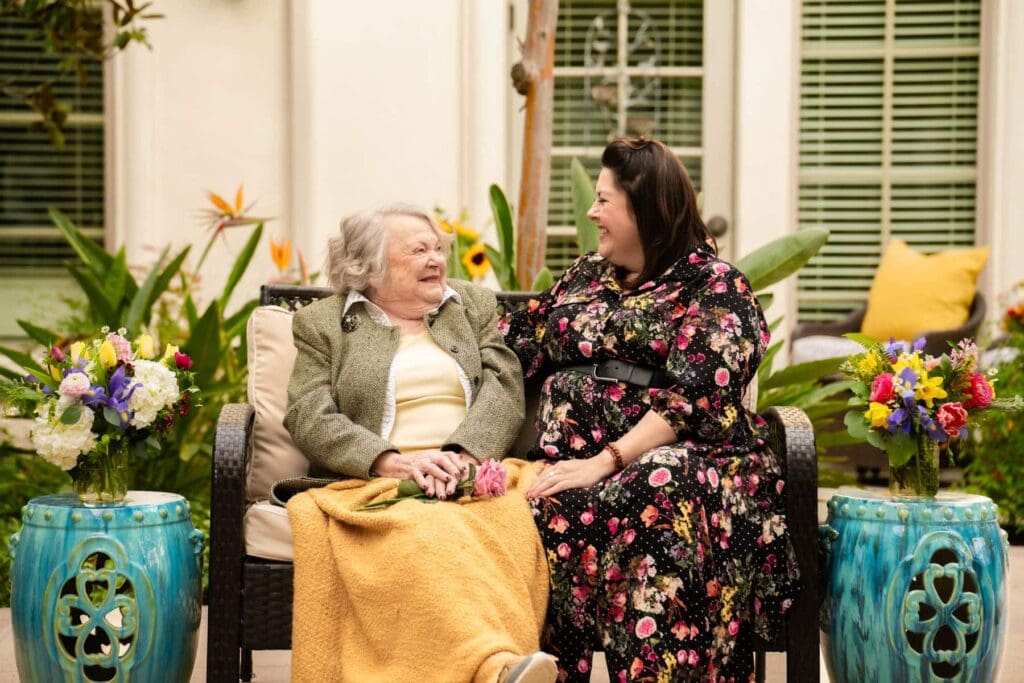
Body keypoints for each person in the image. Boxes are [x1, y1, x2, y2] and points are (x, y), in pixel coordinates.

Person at [500, 138, 799, 682]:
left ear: (645, 208)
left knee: (658, 487)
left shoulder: (714, 285)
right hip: (575, 466)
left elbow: (694, 398)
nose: (592, 213)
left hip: (688, 461)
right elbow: (514, 343)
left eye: (603, 201)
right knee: (525, 504)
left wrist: (606, 460)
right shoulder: (586, 275)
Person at [283, 203, 557, 683]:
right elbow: (308, 412)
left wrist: (461, 456)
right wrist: (390, 462)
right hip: (380, 481)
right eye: (419, 250)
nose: (436, 260)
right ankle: (494, 669)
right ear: (369, 264)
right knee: (425, 532)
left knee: (500, 526)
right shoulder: (322, 324)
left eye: (438, 248)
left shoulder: (471, 305)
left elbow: (505, 384)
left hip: (471, 472)